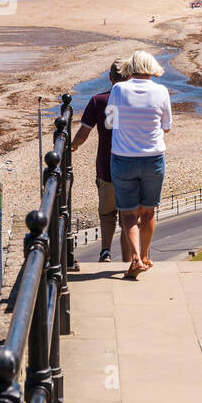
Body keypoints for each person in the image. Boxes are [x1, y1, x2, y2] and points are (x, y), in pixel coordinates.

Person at [107, 51, 172, 279]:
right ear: (151, 67)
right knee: (148, 211)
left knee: (128, 214)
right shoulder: (162, 91)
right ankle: (144, 256)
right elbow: (166, 126)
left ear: (130, 68)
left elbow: (110, 121)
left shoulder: (118, 90)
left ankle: (135, 258)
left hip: (124, 158)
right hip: (153, 158)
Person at [70, 58, 132, 263]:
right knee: (128, 219)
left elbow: (83, 133)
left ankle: (105, 251)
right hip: (132, 167)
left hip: (106, 167)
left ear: (110, 78)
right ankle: (128, 261)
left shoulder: (98, 100)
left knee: (107, 214)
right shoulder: (136, 100)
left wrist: (72, 146)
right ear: (130, 76)